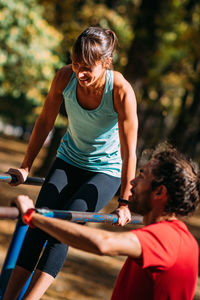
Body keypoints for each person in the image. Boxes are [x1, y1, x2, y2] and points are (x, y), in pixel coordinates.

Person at [3, 26, 138, 299]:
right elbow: (44, 121)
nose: (80, 73)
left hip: (105, 171)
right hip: (69, 159)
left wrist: (125, 202)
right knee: (37, 222)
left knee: (62, 231)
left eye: (87, 67)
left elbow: (129, 150)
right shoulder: (65, 78)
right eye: (76, 64)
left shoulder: (121, 90)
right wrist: (26, 166)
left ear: (106, 62)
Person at [8, 143, 200, 300]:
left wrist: (34, 216)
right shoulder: (182, 239)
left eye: (142, 176)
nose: (131, 182)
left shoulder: (166, 239)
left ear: (160, 192)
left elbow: (103, 243)